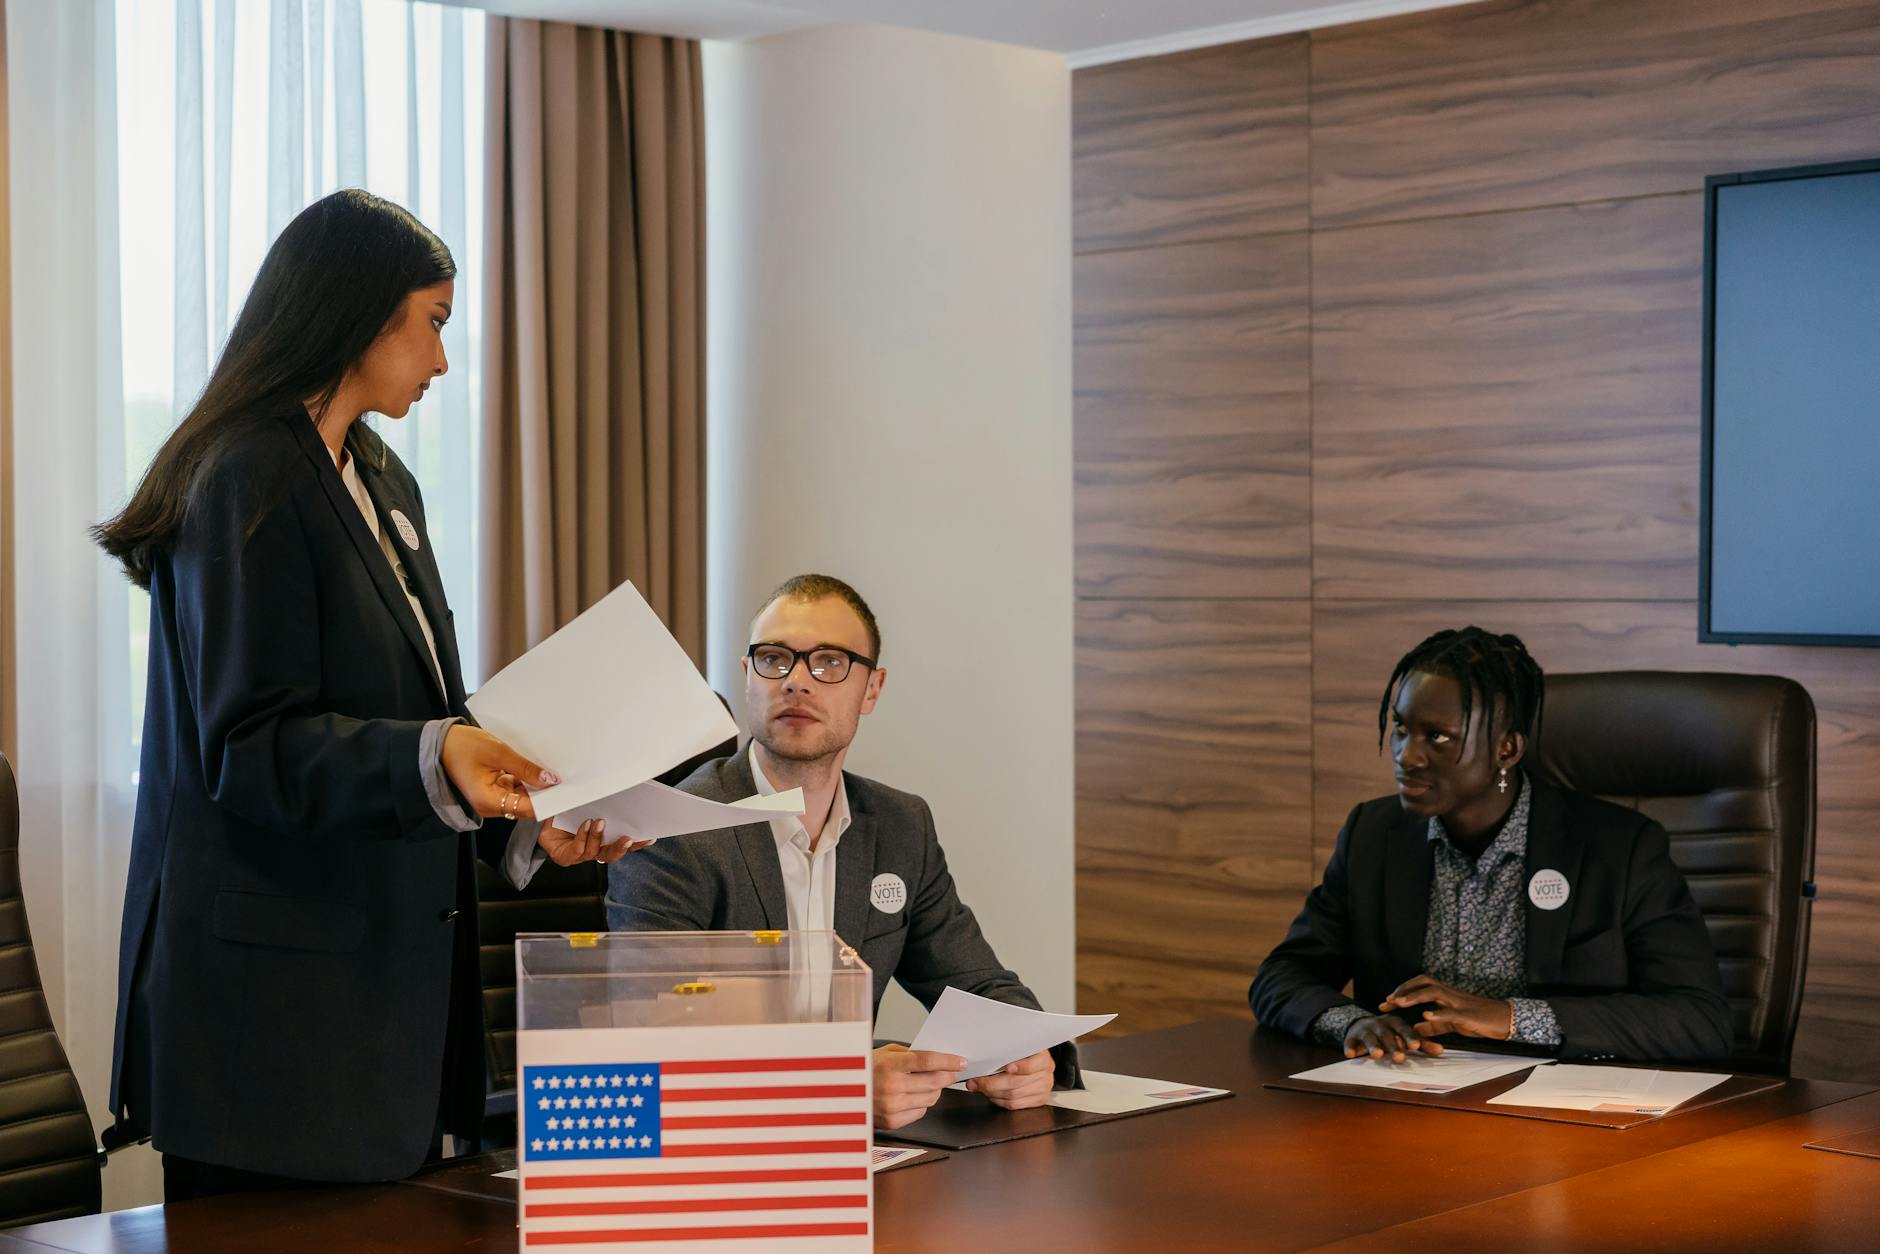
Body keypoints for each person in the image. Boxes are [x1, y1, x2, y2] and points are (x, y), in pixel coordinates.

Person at [93, 190, 639, 1199]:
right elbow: (250, 747)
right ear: (355, 313)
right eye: (431, 323)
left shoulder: (381, 477)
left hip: (377, 1020)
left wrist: (528, 815)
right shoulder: (242, 478)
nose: (441, 360)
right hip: (274, 1035)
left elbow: (413, 714)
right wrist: (440, 754)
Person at [606, 574, 1079, 1129]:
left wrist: (1028, 1054)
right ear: (747, 678)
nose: (797, 682)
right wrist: (841, 1084)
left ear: (872, 689)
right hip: (714, 1142)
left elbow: (977, 983)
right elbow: (656, 1034)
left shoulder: (901, 826)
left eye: (829, 662)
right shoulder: (677, 828)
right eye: (775, 659)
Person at [1249, 627, 1732, 1065]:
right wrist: (1350, 1023)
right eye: (1401, 729)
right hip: (1407, 1103)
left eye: (1436, 737)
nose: (1407, 756)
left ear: (1507, 749)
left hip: (1560, 1116)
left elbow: (1698, 1020)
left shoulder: (1620, 849)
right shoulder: (1374, 835)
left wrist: (1510, 1017)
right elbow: (1283, 975)